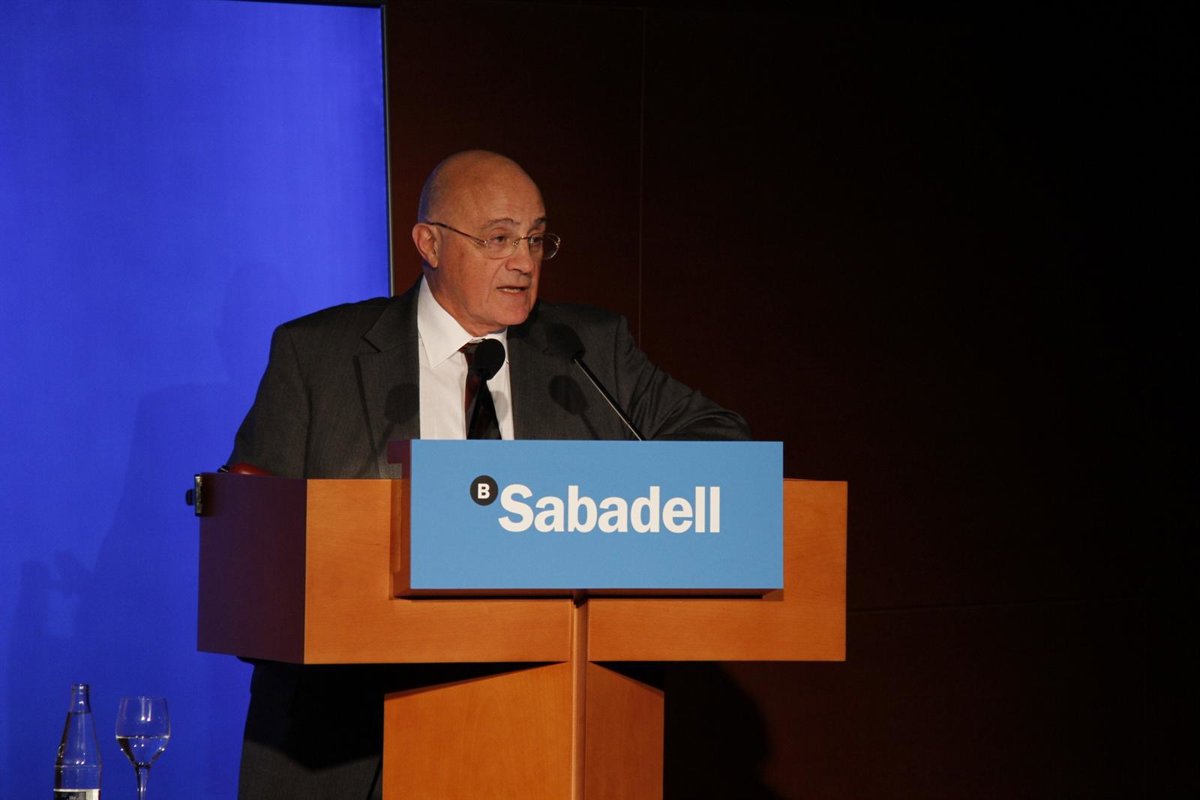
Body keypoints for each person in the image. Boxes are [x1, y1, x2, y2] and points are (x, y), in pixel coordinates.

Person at [228, 150, 750, 798]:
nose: (524, 261)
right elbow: (251, 557)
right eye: (500, 238)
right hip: (349, 742)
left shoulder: (588, 349)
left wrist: (598, 495)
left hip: (546, 728)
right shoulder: (317, 355)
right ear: (430, 243)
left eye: (536, 239)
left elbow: (721, 443)